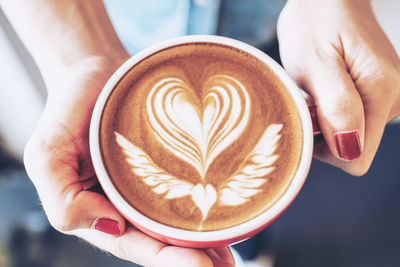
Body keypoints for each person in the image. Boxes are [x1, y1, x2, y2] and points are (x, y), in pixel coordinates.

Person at [1, 0, 399, 266]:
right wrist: (81, 56)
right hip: (127, 59)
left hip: (292, 42)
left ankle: (253, 243)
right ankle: (248, 247)